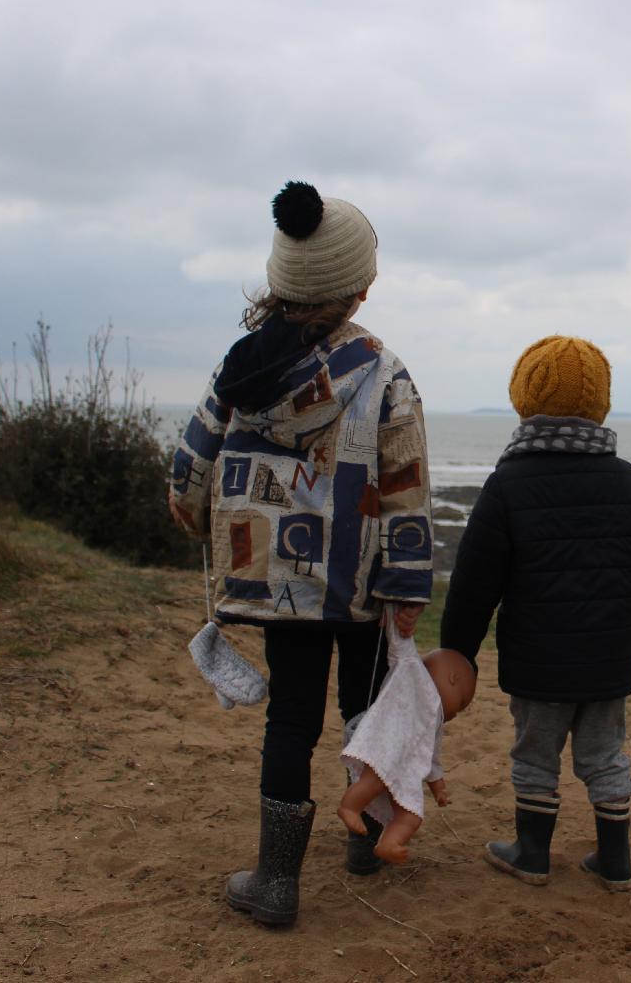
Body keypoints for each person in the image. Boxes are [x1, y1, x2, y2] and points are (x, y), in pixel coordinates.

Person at [167, 180, 434, 928]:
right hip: (358, 585)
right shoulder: (384, 376)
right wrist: (408, 581)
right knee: (366, 707)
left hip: (275, 584)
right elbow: (407, 485)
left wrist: (207, 528)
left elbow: (188, 477)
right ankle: (367, 833)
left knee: (290, 720)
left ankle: (276, 881)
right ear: (361, 287)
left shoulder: (241, 372)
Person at [438, 335, 631, 892]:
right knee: (605, 753)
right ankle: (615, 861)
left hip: (539, 661)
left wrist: (458, 652)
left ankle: (532, 853)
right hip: (610, 659)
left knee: (535, 753)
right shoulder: (629, 481)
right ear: (601, 403)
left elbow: (475, 580)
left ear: (523, 398)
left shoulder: (509, 483)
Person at [337, 618, 477, 865]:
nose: (456, 712)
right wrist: (396, 613)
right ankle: (350, 807)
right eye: (463, 702)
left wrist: (439, 787)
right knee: (373, 780)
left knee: (412, 816)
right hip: (384, 753)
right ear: (453, 678)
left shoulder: (435, 723)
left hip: (405, 775)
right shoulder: (413, 678)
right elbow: (402, 647)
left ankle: (388, 843)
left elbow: (431, 759)